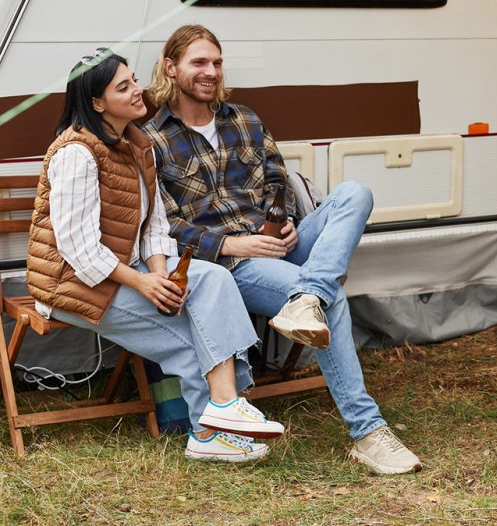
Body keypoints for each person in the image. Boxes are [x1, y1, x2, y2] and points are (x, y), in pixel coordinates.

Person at [142, 25, 420, 476]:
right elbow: (161, 226)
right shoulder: (152, 140)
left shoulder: (245, 119)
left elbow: (278, 180)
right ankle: (368, 433)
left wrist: (286, 221)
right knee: (332, 301)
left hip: (277, 243)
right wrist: (234, 243)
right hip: (232, 266)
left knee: (355, 192)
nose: (210, 72)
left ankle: (308, 296)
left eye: (216, 62)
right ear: (171, 69)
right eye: (199, 63)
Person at [26, 49, 283, 462]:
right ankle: (208, 432)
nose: (136, 91)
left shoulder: (136, 144)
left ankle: (222, 406)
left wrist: (162, 275)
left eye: (133, 81)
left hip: (127, 270)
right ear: (97, 103)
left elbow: (155, 226)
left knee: (215, 279)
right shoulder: (76, 153)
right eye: (122, 86)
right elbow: (77, 249)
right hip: (71, 283)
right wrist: (144, 283)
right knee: (186, 339)